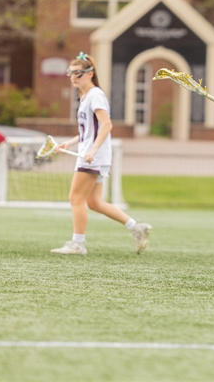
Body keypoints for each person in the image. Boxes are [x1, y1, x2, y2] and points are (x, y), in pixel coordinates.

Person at [50, 52, 152, 255]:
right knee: (94, 202)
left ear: (90, 74)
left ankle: (78, 244)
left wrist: (93, 149)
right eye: (70, 73)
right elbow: (87, 131)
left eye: (77, 73)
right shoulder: (85, 96)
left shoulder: (95, 95)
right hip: (91, 154)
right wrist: (69, 143)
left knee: (75, 198)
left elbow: (106, 125)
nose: (73, 77)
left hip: (93, 156)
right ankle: (136, 227)